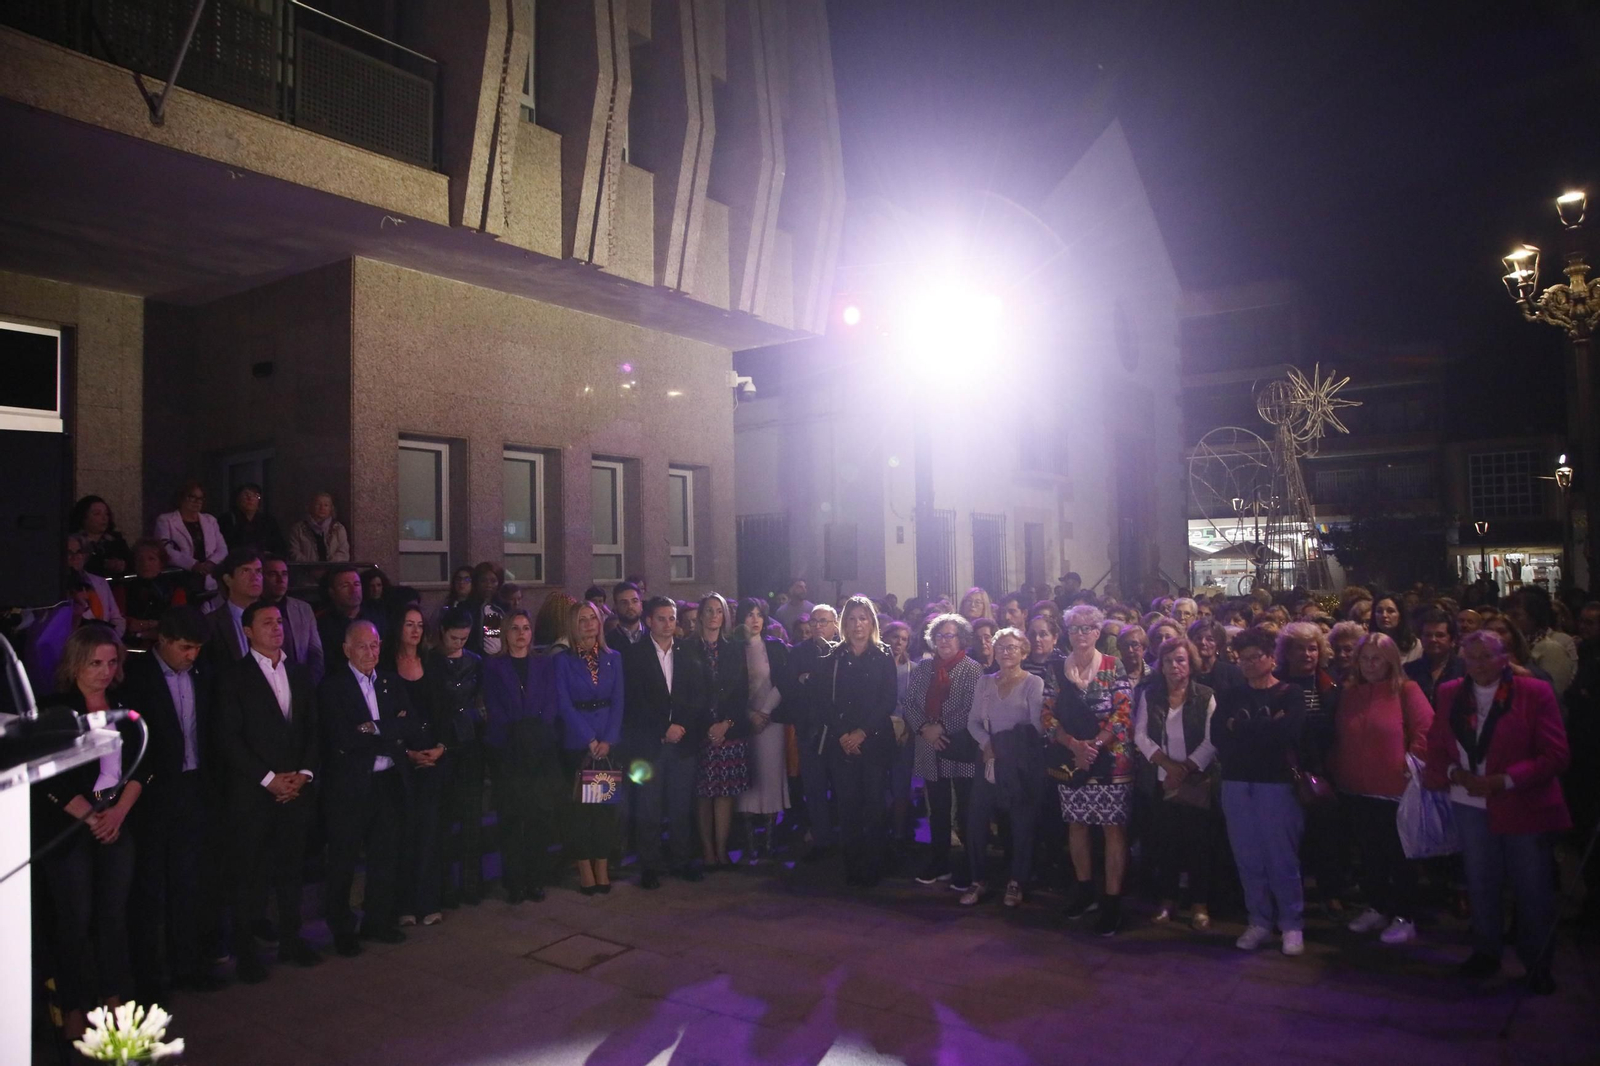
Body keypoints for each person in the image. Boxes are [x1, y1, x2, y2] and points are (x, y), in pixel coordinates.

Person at [1423, 630, 1570, 994]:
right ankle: (1486, 951)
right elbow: (1438, 742)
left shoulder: (1533, 692)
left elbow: (1555, 755)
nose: (1478, 665)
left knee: (1531, 888)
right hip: (1469, 801)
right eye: (1470, 658)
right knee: (1481, 881)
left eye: (1486, 657)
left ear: (1505, 658)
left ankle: (1537, 963)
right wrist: (1454, 773)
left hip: (1521, 803)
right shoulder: (1451, 692)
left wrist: (1502, 780)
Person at [33, 627, 149, 1041]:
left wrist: (117, 813)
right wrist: (90, 816)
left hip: (117, 823)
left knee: (113, 918)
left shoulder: (126, 706)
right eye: (95, 663)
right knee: (73, 921)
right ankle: (75, 1006)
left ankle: (114, 1000)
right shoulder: (54, 709)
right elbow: (46, 774)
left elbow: (145, 764)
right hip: (67, 830)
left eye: (111, 662)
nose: (104, 671)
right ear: (76, 663)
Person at [212, 600, 321, 982]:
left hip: (295, 789)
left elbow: (311, 728)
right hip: (253, 792)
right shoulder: (233, 677)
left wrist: (303, 774)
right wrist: (269, 778)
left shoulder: (299, 671)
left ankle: (292, 940)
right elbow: (229, 737)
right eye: (267, 622)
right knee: (248, 875)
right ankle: (247, 952)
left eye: (280, 621)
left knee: (291, 870)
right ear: (247, 631)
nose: (277, 628)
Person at [118, 607, 221, 997]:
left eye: (197, 648)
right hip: (152, 793)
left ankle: (187, 966)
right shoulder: (138, 680)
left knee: (188, 883)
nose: (191, 655)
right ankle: (148, 977)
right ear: (162, 640)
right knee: (148, 889)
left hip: (194, 787)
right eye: (185, 647)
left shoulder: (201, 674)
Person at [319, 620, 417, 955]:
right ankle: (342, 930)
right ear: (347, 649)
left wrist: (373, 728)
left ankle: (378, 920)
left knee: (384, 856)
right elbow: (341, 736)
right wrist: (387, 732)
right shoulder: (333, 687)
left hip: (387, 781)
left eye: (375, 645)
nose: (370, 652)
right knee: (344, 860)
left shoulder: (389, 680)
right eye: (363, 646)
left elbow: (409, 723)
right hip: (350, 787)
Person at [1330, 632, 1434, 946]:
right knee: (1370, 853)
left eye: (1377, 658)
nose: (1371, 665)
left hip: (1395, 789)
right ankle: (1377, 905)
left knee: (1399, 856)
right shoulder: (1350, 693)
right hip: (1356, 788)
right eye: (1365, 658)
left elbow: (1426, 728)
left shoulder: (1406, 690)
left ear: (1390, 660)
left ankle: (1405, 915)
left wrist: (1410, 761)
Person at [1211, 625, 1308, 956]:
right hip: (1237, 783)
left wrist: (1243, 729)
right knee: (1247, 856)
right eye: (1243, 658)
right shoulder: (1231, 696)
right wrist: (1266, 728)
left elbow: (1288, 734)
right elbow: (1219, 739)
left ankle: (1291, 924)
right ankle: (1259, 921)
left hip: (1276, 783)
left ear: (1271, 658)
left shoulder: (1290, 693)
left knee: (1281, 856)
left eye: (1256, 657)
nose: (1249, 664)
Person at [1052, 605, 1136, 935]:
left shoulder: (1114, 667)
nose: (1081, 634)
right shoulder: (1057, 670)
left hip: (1111, 760)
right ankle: (1085, 890)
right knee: (1077, 824)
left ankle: (1112, 902)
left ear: (1098, 632)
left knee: (1112, 828)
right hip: (1072, 758)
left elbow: (1123, 713)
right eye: (1075, 629)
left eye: (1087, 628)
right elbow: (1046, 713)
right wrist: (1074, 746)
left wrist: (1095, 745)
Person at [1133, 637, 1218, 930]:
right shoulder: (1150, 694)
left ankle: (1199, 904)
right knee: (1165, 845)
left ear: (1190, 663)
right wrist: (1167, 766)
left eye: (1180, 660)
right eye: (1168, 661)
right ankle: (1167, 900)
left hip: (1194, 781)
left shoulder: (1206, 695)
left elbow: (1211, 740)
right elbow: (1140, 735)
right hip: (1161, 779)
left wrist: (1184, 769)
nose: (1174, 666)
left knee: (1198, 846)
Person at [623, 597, 709, 886]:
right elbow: (635, 702)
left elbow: (697, 694)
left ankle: (682, 860)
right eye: (661, 618)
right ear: (648, 621)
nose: (668, 624)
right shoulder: (634, 656)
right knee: (649, 806)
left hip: (682, 742)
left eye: (672, 618)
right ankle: (650, 865)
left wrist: (681, 726)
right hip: (650, 743)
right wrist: (663, 728)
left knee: (680, 806)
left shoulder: (688, 651)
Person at [482, 608, 563, 904]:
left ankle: (535, 879)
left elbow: (551, 702)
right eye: (514, 628)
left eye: (526, 628)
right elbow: (494, 705)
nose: (521, 634)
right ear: (506, 633)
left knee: (538, 818)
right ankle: (514, 881)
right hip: (509, 751)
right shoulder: (493, 666)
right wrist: (518, 733)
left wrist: (535, 731)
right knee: (512, 820)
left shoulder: (544, 665)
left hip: (540, 750)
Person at [961, 627, 1045, 908]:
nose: (1005, 653)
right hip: (988, 759)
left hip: (1019, 764)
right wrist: (987, 743)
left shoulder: (1033, 683)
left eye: (1011, 647)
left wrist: (1002, 746)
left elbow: (1036, 726)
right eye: (1000, 648)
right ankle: (979, 879)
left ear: (1024, 651)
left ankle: (1017, 881)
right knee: (976, 820)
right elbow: (973, 721)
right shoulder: (984, 683)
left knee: (1021, 823)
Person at [816, 595, 897, 887]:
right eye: (851, 618)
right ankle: (852, 864)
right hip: (843, 743)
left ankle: (875, 864)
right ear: (843, 624)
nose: (857, 624)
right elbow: (825, 702)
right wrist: (843, 735)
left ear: (872, 622)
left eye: (863, 618)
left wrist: (862, 732)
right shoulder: (832, 658)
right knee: (847, 806)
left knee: (874, 804)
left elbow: (888, 699)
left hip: (873, 741)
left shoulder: (883, 654)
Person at [902, 614, 982, 889]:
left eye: (950, 635)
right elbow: (910, 702)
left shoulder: (972, 669)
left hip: (956, 746)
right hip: (928, 745)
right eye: (940, 635)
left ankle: (968, 865)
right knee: (937, 809)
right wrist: (925, 728)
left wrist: (942, 728)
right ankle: (939, 860)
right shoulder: (924, 668)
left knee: (965, 810)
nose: (944, 640)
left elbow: (971, 708)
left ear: (961, 639)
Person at [554, 599, 624, 894]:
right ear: (573, 625)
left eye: (592, 618)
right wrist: (589, 739)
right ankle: (584, 867)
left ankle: (602, 866)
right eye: (582, 620)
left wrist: (607, 739)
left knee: (605, 809)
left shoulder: (614, 657)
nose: (588, 625)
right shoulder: (562, 660)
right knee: (581, 811)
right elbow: (563, 703)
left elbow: (620, 700)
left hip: (608, 741)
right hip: (578, 742)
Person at [385, 606, 448, 927]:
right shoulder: (385, 667)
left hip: (432, 758)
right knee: (404, 833)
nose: (415, 630)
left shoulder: (432, 663)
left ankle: (429, 900)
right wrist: (407, 752)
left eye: (420, 625)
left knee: (430, 831)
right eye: (409, 624)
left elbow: (444, 712)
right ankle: (404, 903)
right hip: (400, 762)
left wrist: (440, 748)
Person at [1276, 621, 1342, 915]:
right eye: (1299, 648)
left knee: (1327, 837)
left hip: (1326, 769)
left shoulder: (1331, 683)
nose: (1306, 654)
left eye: (1312, 648)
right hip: (1286, 769)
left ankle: (1330, 892)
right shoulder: (1276, 684)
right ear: (1286, 652)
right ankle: (1292, 897)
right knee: (1290, 838)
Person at [693, 592, 752, 868]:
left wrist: (726, 724)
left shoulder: (733, 648)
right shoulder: (687, 648)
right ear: (700, 615)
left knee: (725, 793)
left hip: (729, 730)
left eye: (719, 611)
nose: (714, 616)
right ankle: (706, 851)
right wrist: (707, 727)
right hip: (700, 731)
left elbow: (742, 691)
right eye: (709, 610)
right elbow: (685, 692)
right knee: (704, 793)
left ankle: (722, 850)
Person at [433, 608, 487, 907]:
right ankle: (443, 887)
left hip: (469, 744)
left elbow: (479, 700)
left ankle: (471, 884)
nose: (459, 644)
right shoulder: (432, 661)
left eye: (464, 638)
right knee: (443, 820)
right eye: (454, 637)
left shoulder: (475, 661)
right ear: (442, 631)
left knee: (472, 818)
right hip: (444, 744)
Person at [735, 598, 789, 864]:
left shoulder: (776, 647)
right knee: (746, 781)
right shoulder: (732, 649)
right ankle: (748, 843)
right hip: (742, 722)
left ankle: (768, 842)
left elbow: (783, 682)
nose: (754, 619)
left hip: (771, 722)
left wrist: (765, 713)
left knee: (769, 779)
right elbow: (730, 689)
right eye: (749, 615)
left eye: (759, 615)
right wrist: (749, 716)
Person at [786, 603, 840, 860]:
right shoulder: (797, 652)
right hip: (809, 730)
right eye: (815, 621)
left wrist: (809, 679)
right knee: (814, 788)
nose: (818, 626)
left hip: (839, 731)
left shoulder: (844, 651)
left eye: (824, 621)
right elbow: (791, 688)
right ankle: (822, 839)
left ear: (835, 624)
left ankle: (844, 835)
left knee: (843, 787)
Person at [1505, 587, 1578, 704]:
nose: (1509, 621)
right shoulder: (1517, 646)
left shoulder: (1551, 648)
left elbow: (1554, 693)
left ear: (1534, 617)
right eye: (1507, 615)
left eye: (1516, 615)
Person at [260, 553, 325, 684]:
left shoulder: (303, 609)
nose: (280, 579)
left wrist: (309, 682)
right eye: (273, 574)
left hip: (303, 681)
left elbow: (315, 651)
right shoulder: (254, 611)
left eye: (284, 574)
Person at [154, 481, 227, 592]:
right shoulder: (165, 520)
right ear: (181, 497)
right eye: (192, 497)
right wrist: (193, 564)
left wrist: (211, 563)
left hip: (208, 577)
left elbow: (222, 548)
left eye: (200, 498)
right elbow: (165, 549)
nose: (197, 502)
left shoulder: (210, 520)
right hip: (180, 579)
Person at [317, 564, 387, 672]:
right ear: (332, 592)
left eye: (356, 584)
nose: (353, 590)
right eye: (345, 586)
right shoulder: (322, 624)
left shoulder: (376, 617)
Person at [122, 539, 188, 645]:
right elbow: (118, 618)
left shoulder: (175, 588)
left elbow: (179, 620)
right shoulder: (123, 587)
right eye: (140, 559)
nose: (145, 564)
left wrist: (148, 626)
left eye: (151, 559)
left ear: (161, 563)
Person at [203, 549, 264, 662]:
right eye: (246, 571)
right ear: (228, 580)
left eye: (259, 571)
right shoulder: (210, 624)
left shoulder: (277, 620)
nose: (255, 577)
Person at [67, 533, 126, 639]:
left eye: (79, 552)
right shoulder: (58, 587)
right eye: (69, 553)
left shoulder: (100, 582)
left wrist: (111, 639)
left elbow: (117, 619)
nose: (75, 557)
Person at [1406, 608, 1464, 706]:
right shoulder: (1408, 670)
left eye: (1440, 635)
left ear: (1452, 640)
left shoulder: (1464, 670)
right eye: (1427, 635)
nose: (1433, 640)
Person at [70, 495, 133, 578]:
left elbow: (131, 566)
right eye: (97, 514)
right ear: (83, 517)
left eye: (106, 514)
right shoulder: (73, 542)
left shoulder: (116, 541)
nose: (104, 518)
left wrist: (121, 566)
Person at [218, 483, 288, 557]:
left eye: (255, 495)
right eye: (246, 495)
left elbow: (280, 546)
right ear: (237, 498)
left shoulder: (268, 520)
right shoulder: (226, 519)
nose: (250, 499)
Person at [286, 491, 351, 563]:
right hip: (306, 571)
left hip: (333, 571)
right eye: (318, 504)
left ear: (331, 509)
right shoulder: (298, 529)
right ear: (311, 506)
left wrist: (328, 567)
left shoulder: (339, 528)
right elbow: (294, 553)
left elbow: (343, 552)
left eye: (326, 505)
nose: (322, 508)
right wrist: (312, 566)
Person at [1188, 618, 1244, 695]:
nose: (1203, 642)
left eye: (1209, 639)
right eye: (1198, 638)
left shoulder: (1233, 673)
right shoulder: (1186, 671)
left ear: (1218, 644)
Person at [1369, 593, 1421, 664]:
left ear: (1400, 615)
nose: (1384, 615)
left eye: (1390, 611)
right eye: (1379, 611)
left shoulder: (1414, 644)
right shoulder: (1368, 643)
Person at [605, 581, 646, 650]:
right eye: (624, 602)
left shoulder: (654, 637)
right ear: (616, 607)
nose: (630, 606)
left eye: (634, 601)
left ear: (641, 605)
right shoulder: (607, 643)